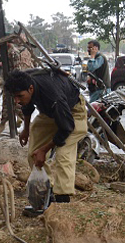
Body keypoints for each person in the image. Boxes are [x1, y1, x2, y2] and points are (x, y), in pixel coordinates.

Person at [5, 69, 87, 210]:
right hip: (49, 113)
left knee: (63, 154)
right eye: (14, 97)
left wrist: (44, 149)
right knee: (33, 153)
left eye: (19, 96)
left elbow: (66, 128)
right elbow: (27, 105)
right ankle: (46, 196)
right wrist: (26, 129)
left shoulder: (53, 96)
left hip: (72, 112)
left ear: (31, 89)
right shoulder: (27, 81)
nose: (16, 101)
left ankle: (62, 201)